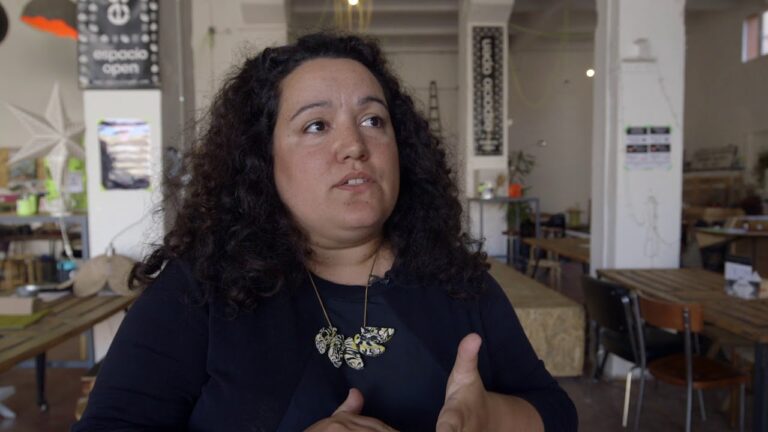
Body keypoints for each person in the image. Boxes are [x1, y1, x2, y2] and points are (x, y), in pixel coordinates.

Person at [73, 33, 577, 431]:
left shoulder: (459, 282)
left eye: (373, 120)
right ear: (262, 160)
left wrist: (494, 418)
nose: (354, 144)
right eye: (316, 125)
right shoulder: (196, 291)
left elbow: (555, 412)